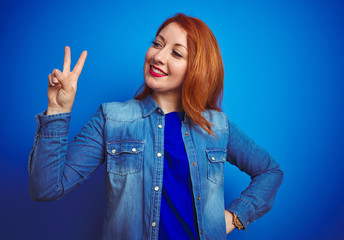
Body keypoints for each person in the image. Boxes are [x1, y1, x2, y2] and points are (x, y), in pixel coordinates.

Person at [28, 13, 283, 240]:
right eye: (157, 44)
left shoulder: (216, 125)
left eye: (176, 52)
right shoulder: (112, 118)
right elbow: (47, 188)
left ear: (196, 68)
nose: (158, 56)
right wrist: (58, 109)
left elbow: (270, 171)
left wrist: (234, 217)